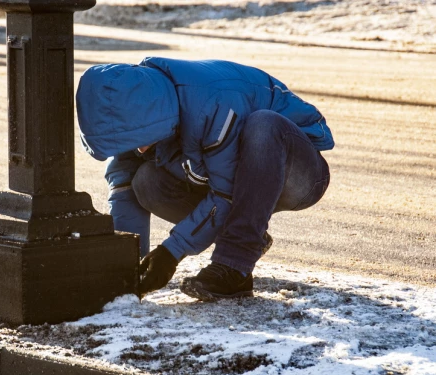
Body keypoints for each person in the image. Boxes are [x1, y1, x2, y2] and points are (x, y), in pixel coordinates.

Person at [76, 57, 333, 302]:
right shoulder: (135, 109)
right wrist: (127, 266)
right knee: (145, 181)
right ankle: (247, 234)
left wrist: (170, 252)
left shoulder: (213, 105)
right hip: (234, 177)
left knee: (263, 125)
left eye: (139, 141)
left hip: (298, 172)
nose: (139, 150)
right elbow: (123, 190)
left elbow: (226, 194)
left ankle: (235, 264)